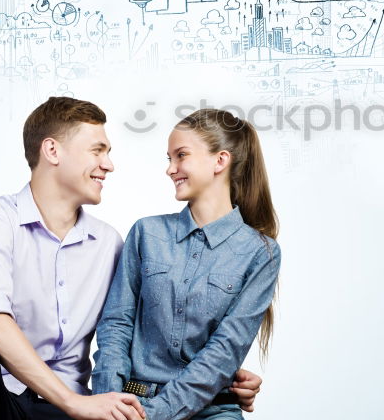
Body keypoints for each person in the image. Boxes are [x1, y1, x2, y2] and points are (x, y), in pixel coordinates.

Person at [0, 97, 264, 420]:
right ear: (52, 151)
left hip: (76, 408)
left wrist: (222, 377)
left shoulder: (109, 243)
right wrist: (74, 403)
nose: (108, 164)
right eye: (97, 150)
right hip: (13, 400)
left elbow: (134, 327)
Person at [91, 109, 281, 420]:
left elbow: (223, 353)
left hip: (212, 410)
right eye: (169, 158)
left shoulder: (261, 254)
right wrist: (108, 403)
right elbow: (116, 324)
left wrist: (152, 416)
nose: (170, 169)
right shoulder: (146, 233)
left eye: (181, 156)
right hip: (130, 403)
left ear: (220, 161)